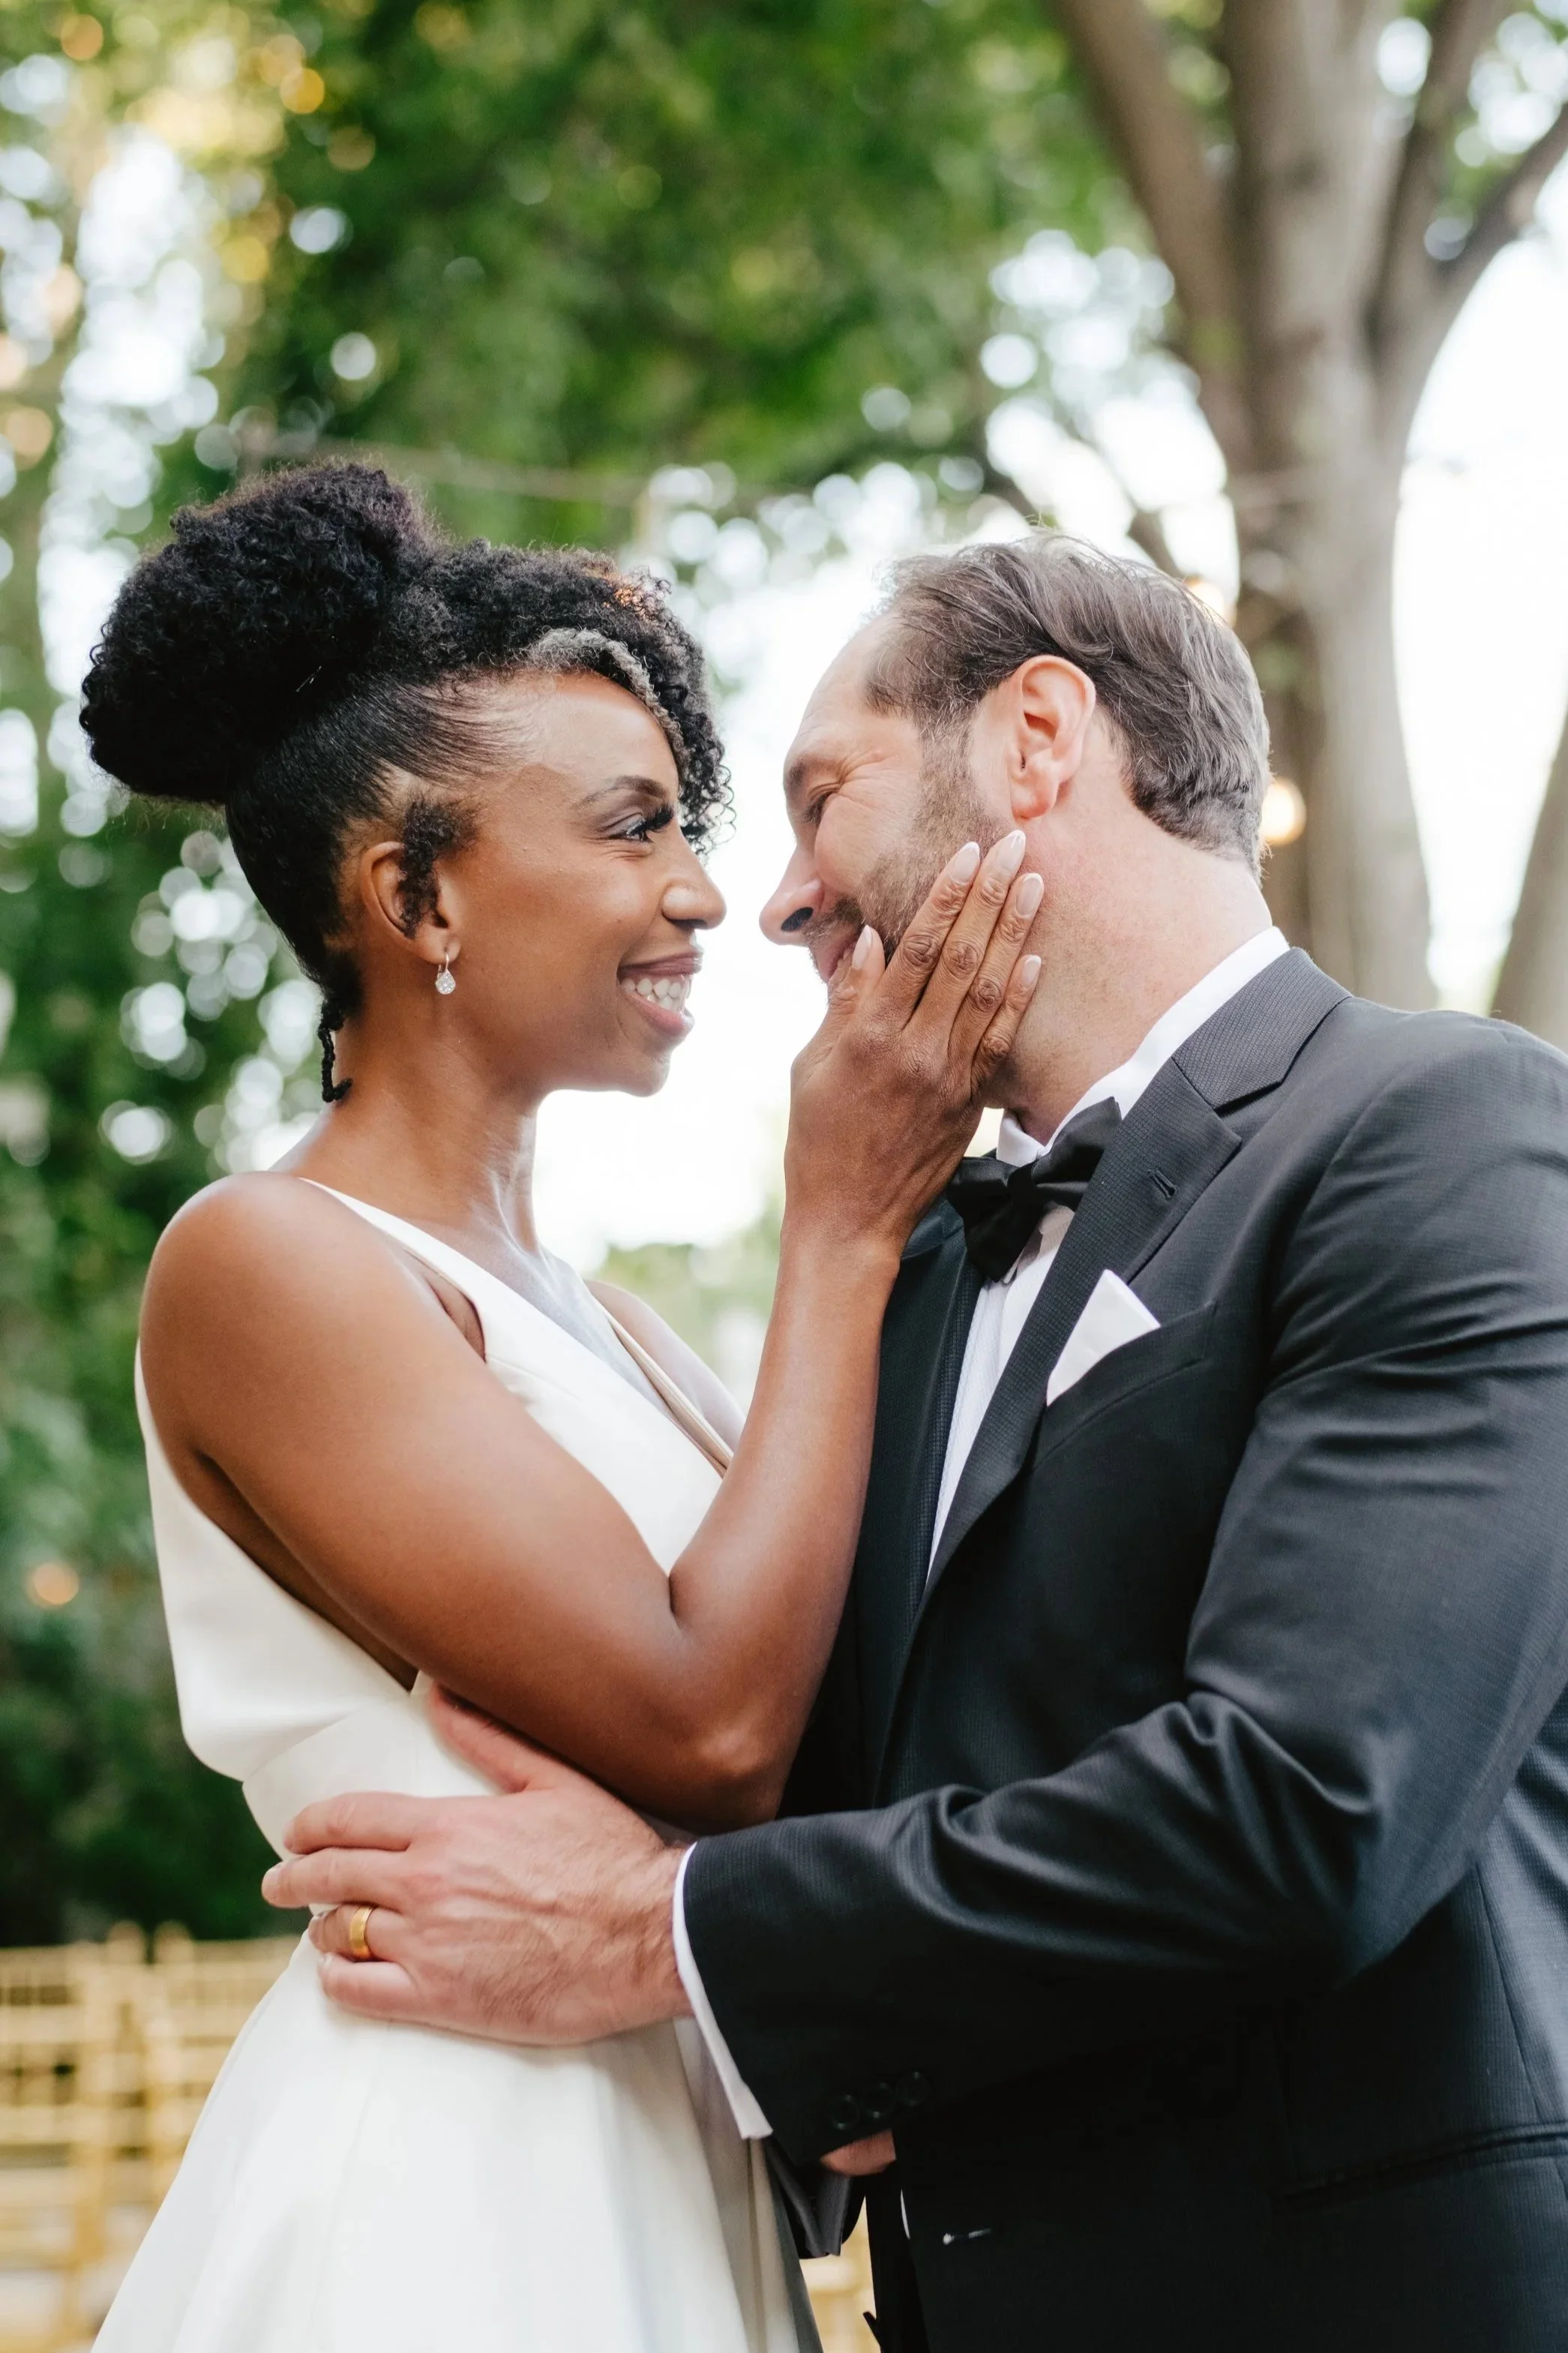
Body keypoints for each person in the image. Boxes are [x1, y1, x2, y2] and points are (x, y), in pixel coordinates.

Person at [271, 535, 1568, 2353]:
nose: (781, 900)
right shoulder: (912, 1258)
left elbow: (1305, 1806)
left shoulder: (1443, 1130)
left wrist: (665, 1929)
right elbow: (875, 1804)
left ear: (1039, 737)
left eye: (821, 800)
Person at [82, 464, 1045, 2353]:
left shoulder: (605, 1324)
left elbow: (821, 1717)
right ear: (412, 889)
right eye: (628, 830)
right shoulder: (265, 1261)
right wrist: (844, 1219)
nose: (700, 891)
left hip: (655, 2135)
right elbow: (710, 1723)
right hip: (454, 2179)